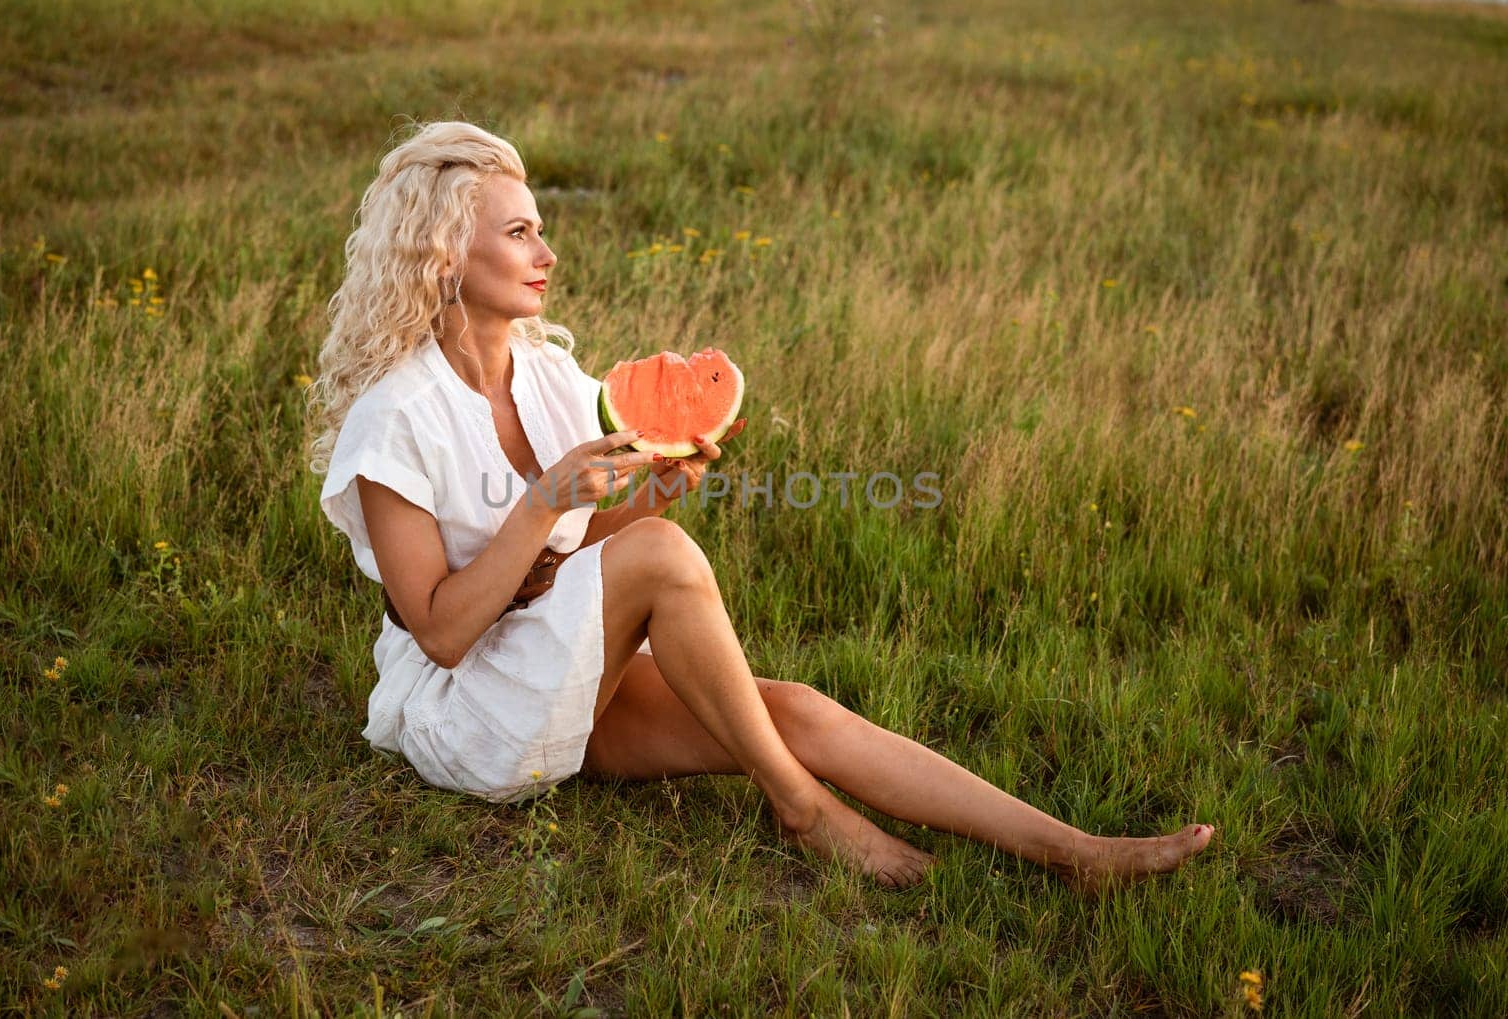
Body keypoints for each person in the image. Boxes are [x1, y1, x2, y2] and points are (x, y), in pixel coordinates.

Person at [309, 120, 1214, 890]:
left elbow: (598, 555)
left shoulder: (548, 376)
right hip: (469, 711)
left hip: (552, 661)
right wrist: (544, 504)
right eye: (518, 233)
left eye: (542, 229)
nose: (548, 254)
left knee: (799, 708)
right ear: (442, 252)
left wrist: (658, 486)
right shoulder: (396, 417)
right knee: (663, 555)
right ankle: (802, 805)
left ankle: (1072, 850)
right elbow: (439, 632)